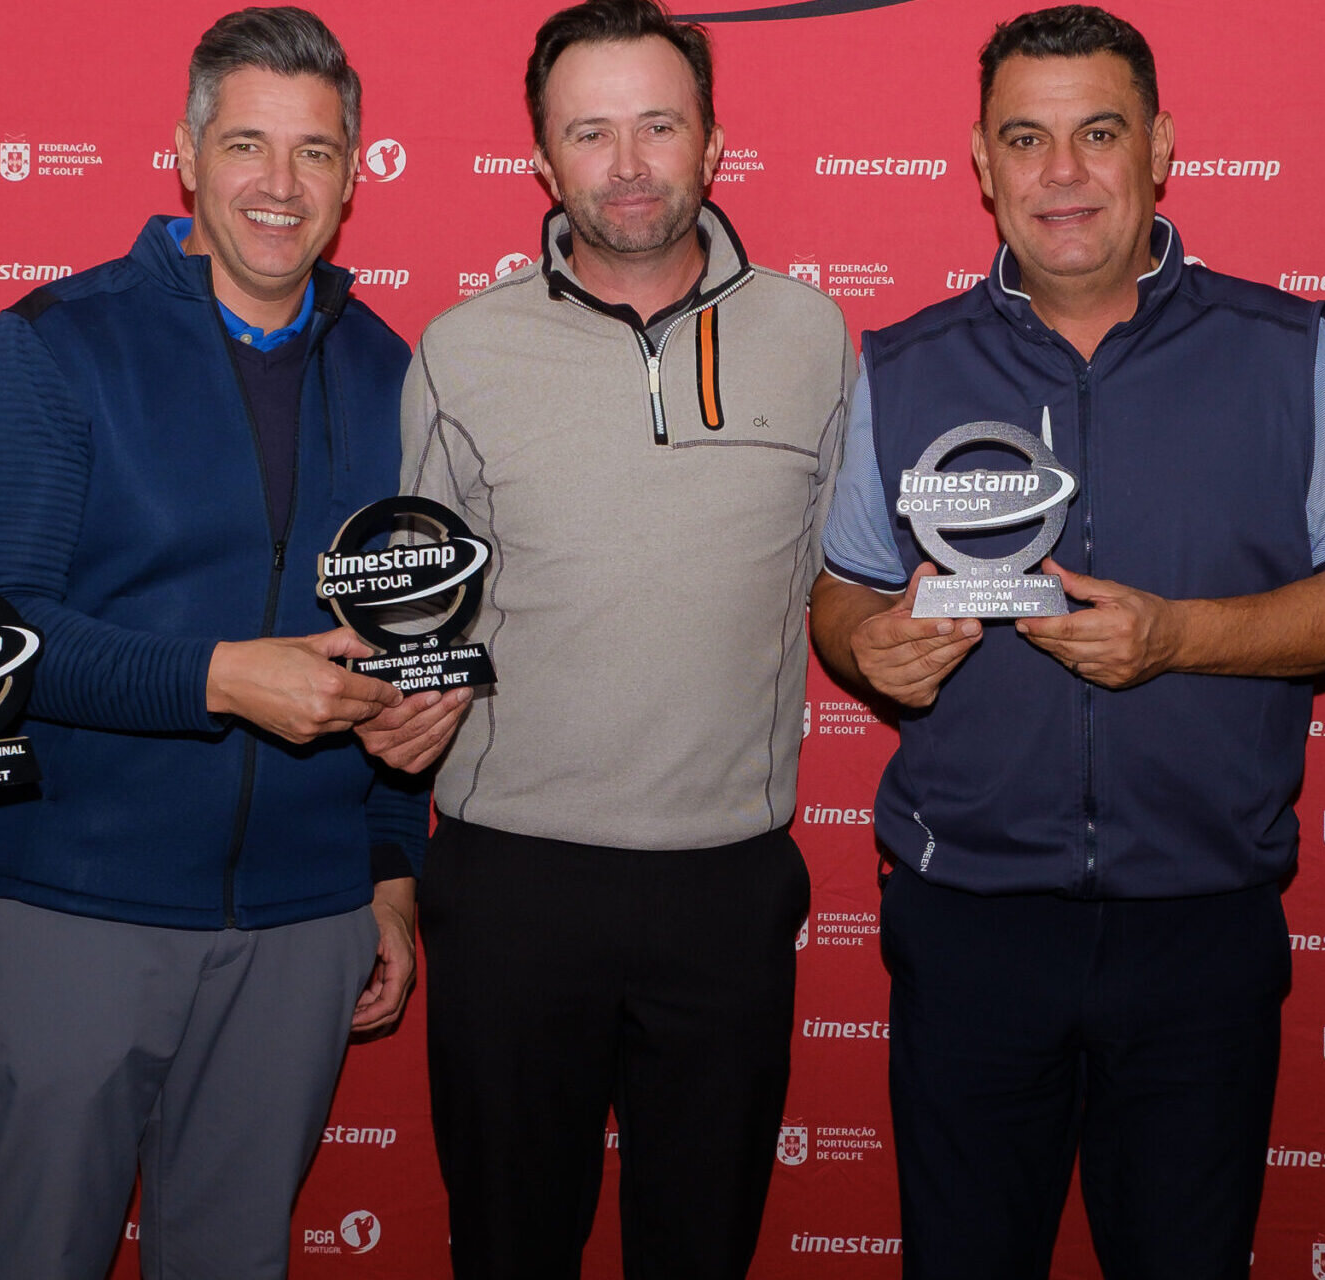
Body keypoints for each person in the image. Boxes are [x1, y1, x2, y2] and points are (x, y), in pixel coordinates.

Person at [806, 8, 1325, 1278]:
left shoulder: (1289, 348)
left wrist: (1182, 636)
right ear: (981, 164)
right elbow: (839, 589)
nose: (1062, 172)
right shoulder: (903, 362)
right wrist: (871, 641)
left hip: (1198, 926)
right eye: (1024, 139)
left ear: (1160, 147)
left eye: (1098, 132)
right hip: (969, 923)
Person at [0, 8, 458, 1279]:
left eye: (316, 152)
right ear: (184, 152)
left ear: (354, 170)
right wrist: (219, 676)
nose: (280, 187)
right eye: (246, 144)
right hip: (75, 907)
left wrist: (390, 867)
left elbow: (395, 647)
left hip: (302, 922)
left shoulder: (399, 371)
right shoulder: (57, 343)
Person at [399, 1, 851, 1273]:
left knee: (700, 1248)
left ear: (714, 143)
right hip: (510, 886)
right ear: (542, 161)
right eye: (589, 132)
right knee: (506, 1244)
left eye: (659, 124)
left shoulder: (816, 338)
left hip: (727, 885)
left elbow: (844, 583)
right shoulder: (459, 350)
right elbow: (411, 618)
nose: (629, 162)